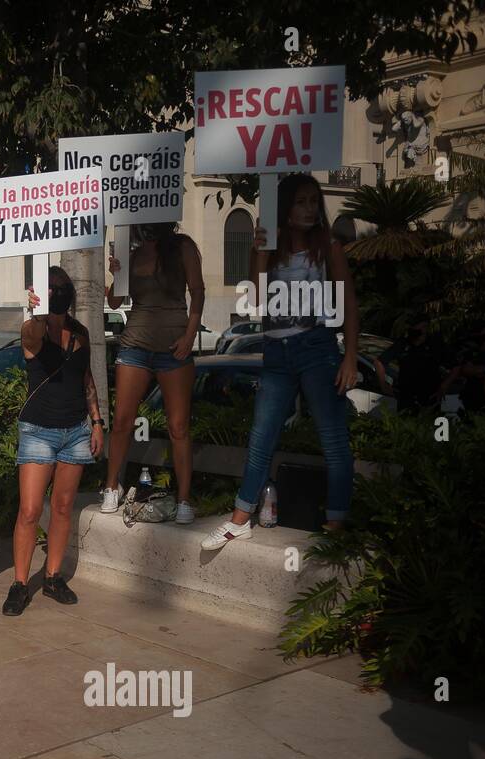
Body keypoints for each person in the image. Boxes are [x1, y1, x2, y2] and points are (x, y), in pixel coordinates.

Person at [202, 173, 359, 550]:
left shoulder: (329, 249)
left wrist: (350, 356)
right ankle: (240, 518)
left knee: (333, 439)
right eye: (300, 202)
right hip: (276, 351)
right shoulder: (273, 250)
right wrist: (259, 249)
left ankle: (335, 523)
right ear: (285, 208)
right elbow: (256, 302)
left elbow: (349, 305)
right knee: (261, 437)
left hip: (317, 347)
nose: (308, 209)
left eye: (312, 202)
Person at [2, 267, 104, 616]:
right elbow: (30, 337)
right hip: (38, 431)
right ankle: (19, 583)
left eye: (62, 287)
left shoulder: (81, 333)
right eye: (51, 288)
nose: (58, 292)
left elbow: (85, 378)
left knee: (62, 508)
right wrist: (36, 311)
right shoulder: (35, 331)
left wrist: (97, 421)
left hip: (75, 431)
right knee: (30, 510)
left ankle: (52, 577)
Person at [101, 223, 204, 523]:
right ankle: (111, 487)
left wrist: (189, 336)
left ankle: (184, 499)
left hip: (175, 348)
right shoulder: (130, 252)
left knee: (179, 427)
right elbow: (114, 303)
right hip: (135, 344)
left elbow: (197, 293)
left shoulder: (183, 247)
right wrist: (116, 273)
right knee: (121, 420)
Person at [375, 318, 448, 414]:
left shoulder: (435, 345)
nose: (420, 331)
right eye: (416, 327)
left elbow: (456, 366)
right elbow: (379, 362)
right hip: (406, 398)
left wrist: (444, 386)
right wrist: (383, 384)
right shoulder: (402, 344)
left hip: (430, 397)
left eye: (423, 327)